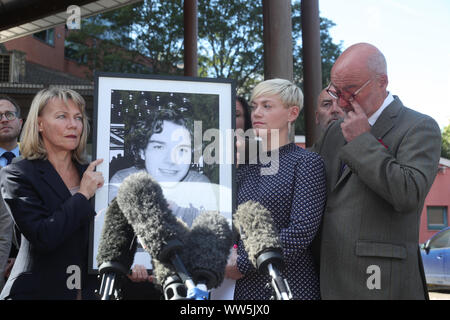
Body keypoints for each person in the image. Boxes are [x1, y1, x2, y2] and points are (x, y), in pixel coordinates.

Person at [312, 43, 442, 299]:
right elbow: (304, 174)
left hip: (382, 284)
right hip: (327, 279)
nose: (341, 102)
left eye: (350, 92)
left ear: (381, 82)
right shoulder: (334, 132)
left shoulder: (419, 127)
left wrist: (362, 142)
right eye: (336, 92)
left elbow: (408, 193)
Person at [0, 88, 104, 300]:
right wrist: (82, 195)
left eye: (78, 117)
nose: (73, 124)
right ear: (39, 124)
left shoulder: (92, 173)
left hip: (88, 291)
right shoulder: (16, 174)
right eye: (61, 116)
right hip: (35, 292)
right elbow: (43, 236)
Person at [228, 78, 327, 300]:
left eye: (267, 106)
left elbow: (301, 231)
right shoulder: (245, 167)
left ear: (292, 113)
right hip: (243, 289)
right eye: (254, 107)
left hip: (290, 284)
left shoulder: (306, 163)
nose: (257, 113)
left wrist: (244, 262)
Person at [109, 94, 217, 227]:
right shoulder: (123, 183)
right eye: (159, 147)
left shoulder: (199, 186)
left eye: (182, 149)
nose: (171, 160)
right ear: (142, 151)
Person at [0, 96, 23, 292]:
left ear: (20, 122)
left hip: (29, 264)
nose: (4, 119)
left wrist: (22, 257)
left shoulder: (40, 161)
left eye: (9, 114)